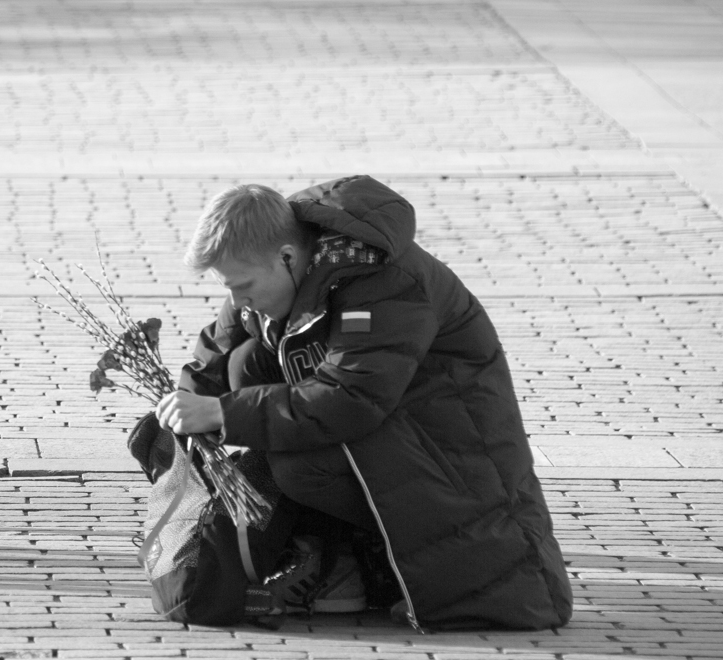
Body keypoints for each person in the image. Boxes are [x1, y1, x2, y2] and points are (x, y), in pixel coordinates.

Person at [155, 174, 573, 630]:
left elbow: (351, 399)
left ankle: (358, 564)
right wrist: (188, 404)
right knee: (245, 365)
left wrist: (223, 413)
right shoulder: (271, 266)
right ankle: (330, 553)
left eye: (243, 285)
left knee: (298, 468)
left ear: (288, 257)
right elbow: (214, 356)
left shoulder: (382, 281)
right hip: (399, 431)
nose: (235, 299)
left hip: (454, 456)